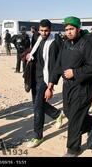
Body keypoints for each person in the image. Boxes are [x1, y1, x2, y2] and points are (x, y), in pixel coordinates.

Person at [54, 16, 92, 157]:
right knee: (68, 112)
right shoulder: (65, 44)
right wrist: (51, 82)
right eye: (66, 29)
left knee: (74, 118)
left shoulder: (85, 44)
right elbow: (58, 63)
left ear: (78, 29)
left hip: (82, 88)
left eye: (71, 29)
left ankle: (73, 149)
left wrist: (75, 72)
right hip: (68, 87)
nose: (68, 32)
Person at [25, 19, 64, 148]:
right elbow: (36, 54)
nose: (43, 33)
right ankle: (57, 114)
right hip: (35, 76)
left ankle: (37, 136)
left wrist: (50, 86)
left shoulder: (55, 41)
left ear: (50, 29)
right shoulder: (38, 38)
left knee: (37, 107)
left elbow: (56, 63)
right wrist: (29, 55)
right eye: (41, 30)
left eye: (46, 30)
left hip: (46, 78)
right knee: (37, 103)